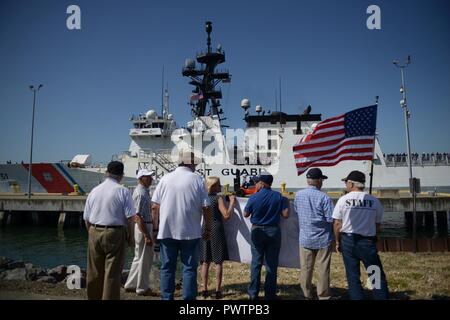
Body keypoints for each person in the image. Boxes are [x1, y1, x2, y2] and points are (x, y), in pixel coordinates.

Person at [151, 151, 212, 300]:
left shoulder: (165, 179)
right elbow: (206, 207)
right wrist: (208, 228)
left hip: (166, 231)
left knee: (167, 268)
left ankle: (166, 298)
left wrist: (155, 229)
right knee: (190, 269)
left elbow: (154, 207)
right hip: (191, 232)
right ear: (190, 163)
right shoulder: (198, 179)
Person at [332, 170, 389, 300]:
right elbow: (377, 224)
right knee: (375, 272)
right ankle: (381, 296)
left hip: (348, 240)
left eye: (346, 182)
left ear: (351, 184)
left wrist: (337, 241)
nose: (345, 184)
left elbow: (337, 224)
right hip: (368, 241)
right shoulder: (374, 201)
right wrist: (375, 237)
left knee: (353, 275)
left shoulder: (343, 200)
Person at [83, 161, 135, 300]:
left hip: (94, 230)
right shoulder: (123, 191)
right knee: (112, 274)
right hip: (115, 232)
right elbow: (130, 218)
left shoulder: (95, 190)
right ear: (122, 175)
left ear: (107, 173)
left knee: (94, 272)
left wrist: (91, 233)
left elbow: (86, 218)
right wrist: (131, 238)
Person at [243, 172, 289, 300]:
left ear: (262, 183)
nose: (256, 184)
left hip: (257, 231)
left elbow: (245, 214)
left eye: (257, 182)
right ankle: (270, 295)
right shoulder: (278, 196)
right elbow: (285, 214)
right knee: (271, 264)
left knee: (256, 263)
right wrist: (286, 201)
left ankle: (253, 294)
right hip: (274, 231)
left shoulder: (254, 197)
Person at [294, 168, 334, 300]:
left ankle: (306, 294)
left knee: (305, 268)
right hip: (323, 238)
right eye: (322, 179)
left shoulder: (298, 195)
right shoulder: (325, 197)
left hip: (305, 238)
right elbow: (330, 219)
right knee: (323, 269)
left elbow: (296, 212)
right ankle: (323, 295)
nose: (322, 182)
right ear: (318, 181)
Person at [200, 177, 236, 299]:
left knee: (205, 261)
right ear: (214, 186)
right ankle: (217, 290)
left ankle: (204, 289)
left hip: (205, 228)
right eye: (219, 185)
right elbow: (226, 215)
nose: (220, 187)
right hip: (216, 228)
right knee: (218, 261)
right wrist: (231, 203)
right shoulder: (217, 198)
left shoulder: (203, 198)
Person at [124, 169, 156, 296]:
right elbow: (138, 216)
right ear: (142, 178)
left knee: (138, 257)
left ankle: (131, 284)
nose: (151, 179)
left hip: (142, 227)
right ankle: (142, 288)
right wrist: (147, 235)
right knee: (145, 259)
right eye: (148, 177)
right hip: (144, 227)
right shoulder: (141, 194)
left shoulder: (142, 192)